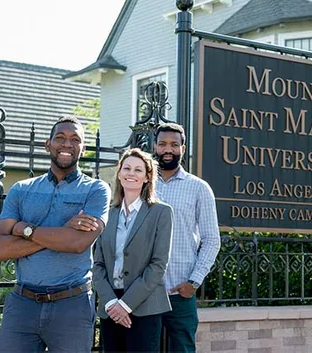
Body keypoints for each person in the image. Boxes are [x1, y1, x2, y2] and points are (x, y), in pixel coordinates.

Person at [0, 116, 111, 353]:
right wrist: (62, 233)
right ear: (48, 145)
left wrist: (24, 229)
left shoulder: (96, 190)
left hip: (71, 305)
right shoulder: (22, 190)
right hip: (22, 304)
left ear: (83, 149)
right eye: (60, 138)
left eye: (75, 139)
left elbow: (78, 243)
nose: (67, 144)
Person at [92, 148, 173, 352]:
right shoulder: (108, 214)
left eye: (138, 170)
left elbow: (158, 264)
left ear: (147, 177)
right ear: (119, 174)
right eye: (126, 168)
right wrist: (111, 302)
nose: (131, 173)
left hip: (144, 306)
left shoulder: (161, 212)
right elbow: (98, 265)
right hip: (110, 306)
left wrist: (125, 305)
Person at [153, 123, 221, 352]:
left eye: (174, 144)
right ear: (155, 146)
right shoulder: (141, 184)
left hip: (179, 292)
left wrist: (194, 282)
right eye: (162, 144)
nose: (167, 149)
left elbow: (211, 239)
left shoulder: (199, 188)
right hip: (143, 291)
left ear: (183, 148)